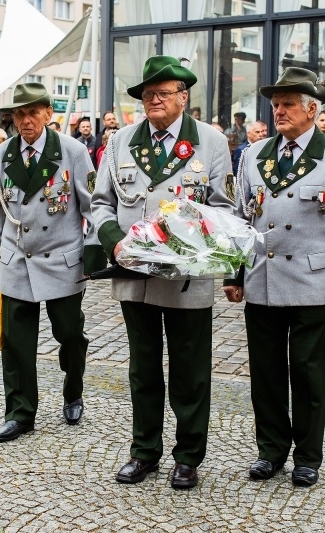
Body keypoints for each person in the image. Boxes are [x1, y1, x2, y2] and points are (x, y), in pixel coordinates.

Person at [92, 56, 234, 490]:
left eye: (163, 93)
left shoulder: (211, 142)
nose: (154, 100)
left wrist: (186, 237)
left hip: (187, 276)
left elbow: (224, 208)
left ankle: (188, 456)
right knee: (143, 368)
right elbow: (101, 203)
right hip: (134, 273)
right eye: (148, 94)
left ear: (183, 97)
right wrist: (115, 241)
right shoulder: (120, 142)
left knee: (190, 371)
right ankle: (144, 451)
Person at [224, 67, 325, 487]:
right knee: (265, 373)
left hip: (311, 281)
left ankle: (307, 456)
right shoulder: (254, 154)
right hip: (263, 279)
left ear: (312, 109)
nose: (279, 111)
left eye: (288, 104)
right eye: (276, 104)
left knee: (306, 373)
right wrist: (235, 273)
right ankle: (270, 450)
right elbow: (241, 219)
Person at [0, 82, 106, 443]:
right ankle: (20, 412)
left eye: (33, 113)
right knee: (16, 341)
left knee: (69, 334)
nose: (26, 121)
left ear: (47, 114)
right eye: (19, 114)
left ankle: (73, 389)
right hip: (17, 259)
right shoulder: (3, 153)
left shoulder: (72, 151)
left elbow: (92, 206)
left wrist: (93, 251)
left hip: (61, 259)